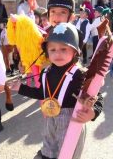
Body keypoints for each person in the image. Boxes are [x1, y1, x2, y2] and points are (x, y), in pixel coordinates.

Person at [10, 23, 103, 159]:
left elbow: (97, 95)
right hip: (50, 118)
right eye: (52, 50)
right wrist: (21, 88)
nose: (57, 53)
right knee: (48, 150)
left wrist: (93, 112)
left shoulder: (80, 74)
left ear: (75, 52)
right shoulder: (46, 72)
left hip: (72, 121)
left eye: (64, 49)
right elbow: (42, 93)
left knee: (67, 155)